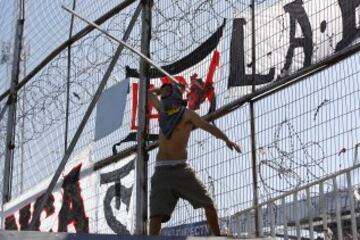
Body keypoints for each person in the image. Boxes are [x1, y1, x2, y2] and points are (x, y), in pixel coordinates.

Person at [148, 83, 241, 236]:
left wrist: (227, 139)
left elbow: (208, 127)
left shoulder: (187, 115)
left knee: (208, 203)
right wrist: (161, 89)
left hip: (181, 170)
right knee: (156, 215)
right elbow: (149, 94)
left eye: (166, 94)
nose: (163, 98)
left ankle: (218, 237)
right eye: (163, 96)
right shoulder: (163, 111)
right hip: (161, 171)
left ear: (175, 97)